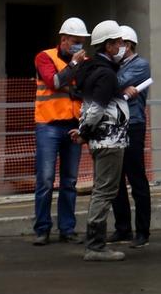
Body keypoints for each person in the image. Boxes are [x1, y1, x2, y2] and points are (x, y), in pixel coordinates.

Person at [72, 20, 131, 263]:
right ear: (107, 45)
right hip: (109, 140)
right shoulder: (106, 74)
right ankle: (96, 246)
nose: (122, 47)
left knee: (102, 189)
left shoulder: (89, 69)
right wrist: (84, 131)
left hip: (101, 139)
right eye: (118, 42)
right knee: (105, 191)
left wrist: (83, 130)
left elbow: (88, 105)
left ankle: (95, 243)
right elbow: (97, 109)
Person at [32, 16, 90, 246]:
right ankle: (42, 229)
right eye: (75, 41)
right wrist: (75, 65)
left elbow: (84, 88)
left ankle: (67, 229)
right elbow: (54, 82)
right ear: (63, 39)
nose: (78, 46)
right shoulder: (45, 57)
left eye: (81, 42)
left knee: (69, 180)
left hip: (73, 125)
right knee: (45, 179)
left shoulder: (84, 61)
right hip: (49, 125)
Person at [111, 25, 152, 248]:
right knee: (116, 179)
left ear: (127, 45)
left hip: (134, 124)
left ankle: (142, 231)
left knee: (136, 178)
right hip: (116, 124)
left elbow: (112, 84)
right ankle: (123, 228)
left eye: (119, 44)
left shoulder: (140, 65)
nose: (116, 48)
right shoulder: (115, 66)